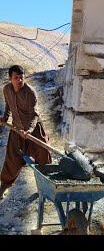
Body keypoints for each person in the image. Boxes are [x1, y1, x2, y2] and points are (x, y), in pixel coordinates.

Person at [0, 65, 52, 200]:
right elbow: (8, 106)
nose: (19, 80)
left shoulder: (30, 92)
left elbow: (34, 114)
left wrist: (29, 130)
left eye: (21, 77)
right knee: (12, 159)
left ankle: (46, 188)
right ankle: (5, 185)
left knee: (43, 157)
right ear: (10, 78)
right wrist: (4, 118)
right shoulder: (7, 90)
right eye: (16, 78)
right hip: (17, 130)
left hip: (33, 130)